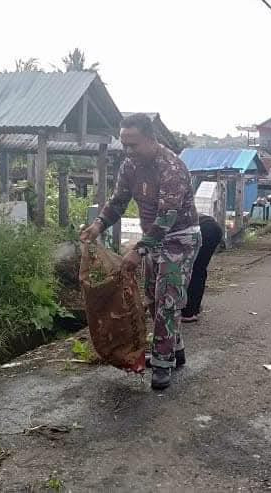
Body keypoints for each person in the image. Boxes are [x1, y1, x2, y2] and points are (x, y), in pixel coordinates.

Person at [80, 114, 200, 390]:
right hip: (153, 239)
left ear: (150, 138)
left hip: (179, 238)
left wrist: (138, 250)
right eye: (124, 144)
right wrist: (98, 225)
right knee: (154, 299)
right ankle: (175, 349)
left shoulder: (171, 167)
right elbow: (118, 201)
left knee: (167, 299)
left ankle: (162, 363)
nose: (128, 150)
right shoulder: (130, 166)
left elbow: (167, 217)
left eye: (133, 144)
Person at [181, 214, 224, 323]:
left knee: (194, 270)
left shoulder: (162, 221)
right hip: (213, 228)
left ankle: (188, 312)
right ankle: (193, 307)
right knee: (199, 269)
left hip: (202, 230)